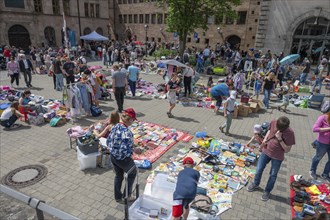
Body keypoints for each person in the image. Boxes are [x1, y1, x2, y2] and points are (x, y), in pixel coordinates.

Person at [248, 116, 295, 201]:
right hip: (266, 151)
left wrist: (280, 138)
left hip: (277, 156)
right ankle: (255, 184)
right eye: (276, 126)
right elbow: (269, 132)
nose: (276, 128)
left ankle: (267, 191)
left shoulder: (290, 133)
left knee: (273, 175)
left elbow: (287, 150)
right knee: (258, 169)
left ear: (285, 128)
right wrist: (262, 144)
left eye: (279, 128)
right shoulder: (274, 122)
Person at [106, 108, 137, 203]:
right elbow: (124, 151)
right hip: (122, 159)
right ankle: (127, 195)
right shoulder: (127, 132)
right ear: (129, 119)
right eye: (133, 120)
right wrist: (133, 150)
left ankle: (118, 197)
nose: (133, 121)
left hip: (113, 156)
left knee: (119, 176)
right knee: (132, 173)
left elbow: (108, 141)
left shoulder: (115, 126)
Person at [309, 110, 330, 183]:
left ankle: (325, 174)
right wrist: (328, 128)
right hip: (322, 143)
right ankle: (312, 170)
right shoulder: (323, 118)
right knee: (318, 157)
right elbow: (314, 129)